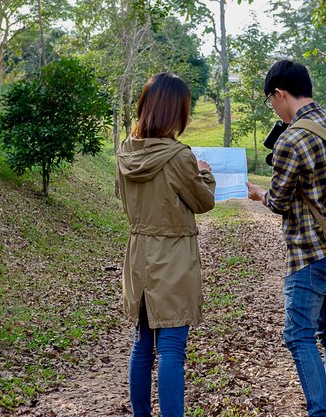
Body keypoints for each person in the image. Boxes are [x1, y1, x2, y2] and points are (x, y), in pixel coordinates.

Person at [246, 59, 326, 417]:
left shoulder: (292, 139)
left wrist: (258, 194)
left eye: (271, 101)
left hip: (310, 255)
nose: (273, 108)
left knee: (298, 335)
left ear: (280, 93)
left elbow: (278, 202)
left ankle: (321, 413)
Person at [117, 72, 216, 417]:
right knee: (172, 349)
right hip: (173, 258)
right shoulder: (178, 156)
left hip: (138, 255)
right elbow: (203, 202)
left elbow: (124, 199)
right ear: (177, 112)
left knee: (142, 345)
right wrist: (205, 173)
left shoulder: (125, 152)